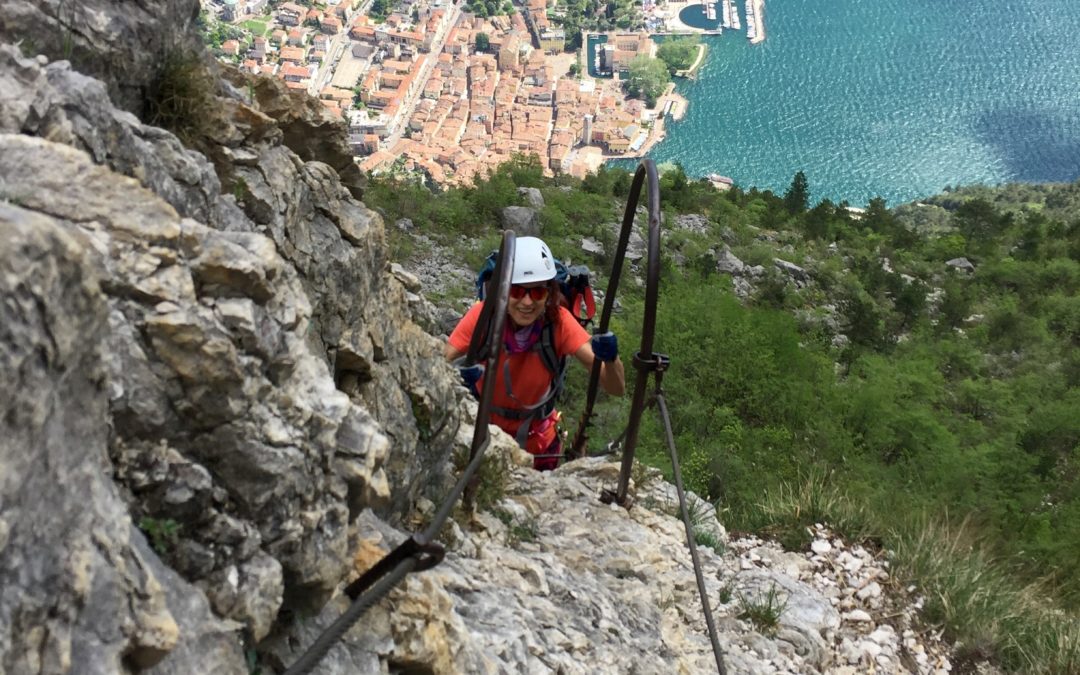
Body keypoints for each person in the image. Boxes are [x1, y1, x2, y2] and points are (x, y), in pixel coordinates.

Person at [445, 237, 626, 470]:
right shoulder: (483, 316)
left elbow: (616, 388)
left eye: (538, 292)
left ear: (549, 293)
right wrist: (455, 381)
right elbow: (438, 360)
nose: (527, 302)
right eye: (517, 291)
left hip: (537, 445)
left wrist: (611, 359)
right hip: (483, 432)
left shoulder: (558, 322)